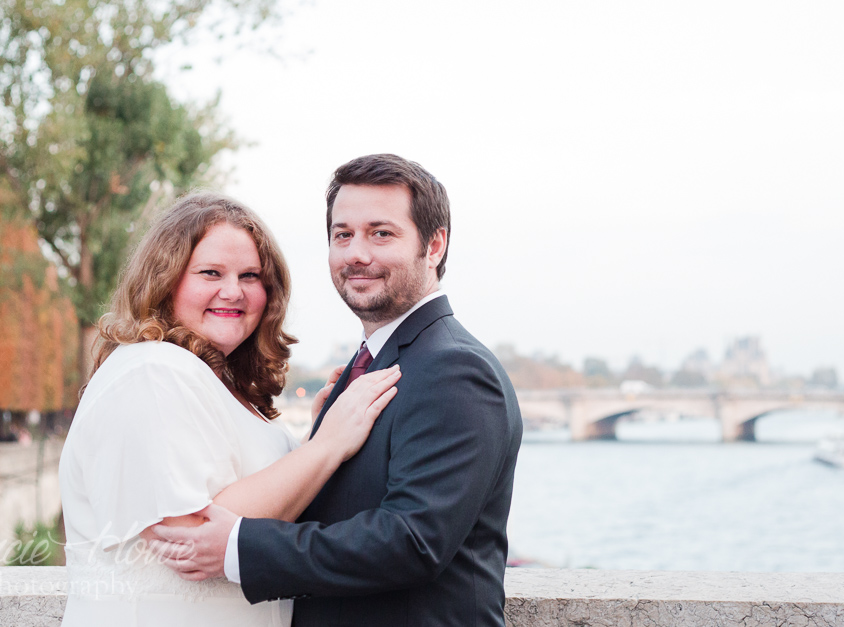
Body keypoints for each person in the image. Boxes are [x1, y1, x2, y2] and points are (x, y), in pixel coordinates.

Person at [150, 154, 523, 627]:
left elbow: (412, 541)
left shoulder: (454, 369)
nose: (356, 254)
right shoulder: (373, 365)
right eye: (342, 234)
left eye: (380, 233)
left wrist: (240, 547)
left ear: (434, 246)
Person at [58, 193, 401, 627]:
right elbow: (191, 538)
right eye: (210, 273)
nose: (233, 291)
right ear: (165, 280)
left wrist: (314, 439)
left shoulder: (208, 379)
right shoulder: (153, 370)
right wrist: (327, 446)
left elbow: (245, 503)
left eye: (251, 276)